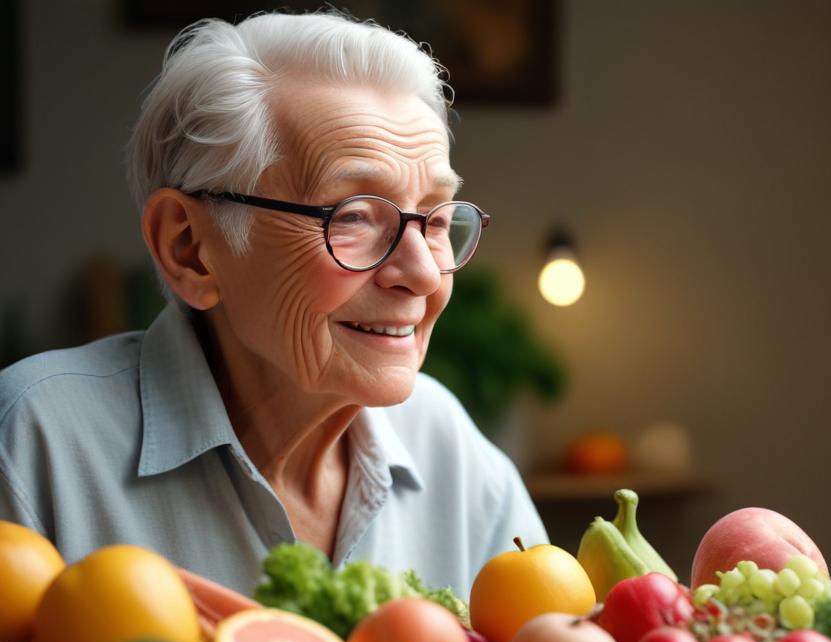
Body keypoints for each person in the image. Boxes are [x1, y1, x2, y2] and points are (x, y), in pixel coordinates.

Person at [0, 11, 548, 594]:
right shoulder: (34, 446)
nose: (421, 273)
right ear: (189, 249)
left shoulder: (447, 446)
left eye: (435, 218)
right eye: (355, 216)